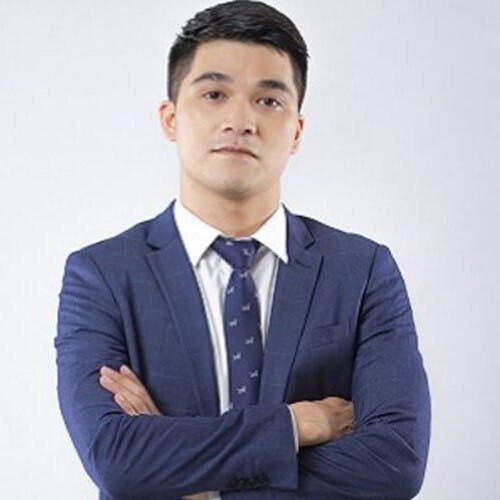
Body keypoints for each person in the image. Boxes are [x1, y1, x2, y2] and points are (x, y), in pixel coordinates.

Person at [55, 1, 431, 499]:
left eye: (269, 100)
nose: (241, 120)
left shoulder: (361, 271)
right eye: (214, 94)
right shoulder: (101, 275)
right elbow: (117, 461)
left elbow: (396, 465)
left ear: (296, 131)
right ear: (171, 118)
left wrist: (188, 475)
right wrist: (299, 423)